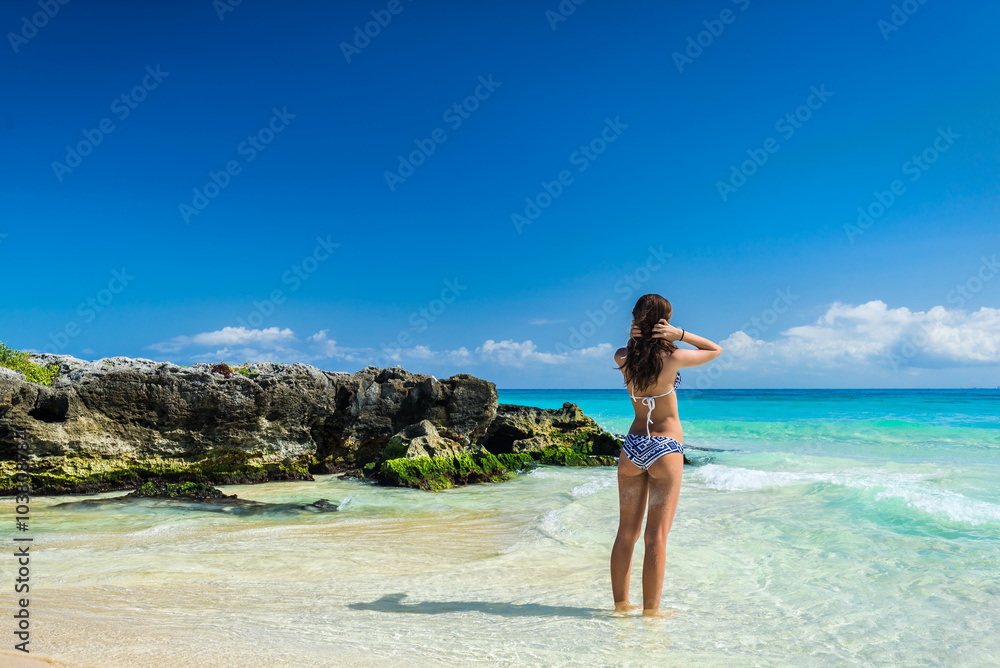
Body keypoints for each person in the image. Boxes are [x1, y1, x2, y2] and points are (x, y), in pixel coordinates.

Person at [610, 294, 722, 617]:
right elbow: (715, 350)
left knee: (625, 533)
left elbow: (629, 351)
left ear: (635, 323)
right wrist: (681, 335)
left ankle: (620, 606)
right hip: (665, 447)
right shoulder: (673, 358)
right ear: (663, 324)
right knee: (655, 537)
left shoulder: (623, 357)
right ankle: (651, 613)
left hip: (632, 447)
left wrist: (635, 340)